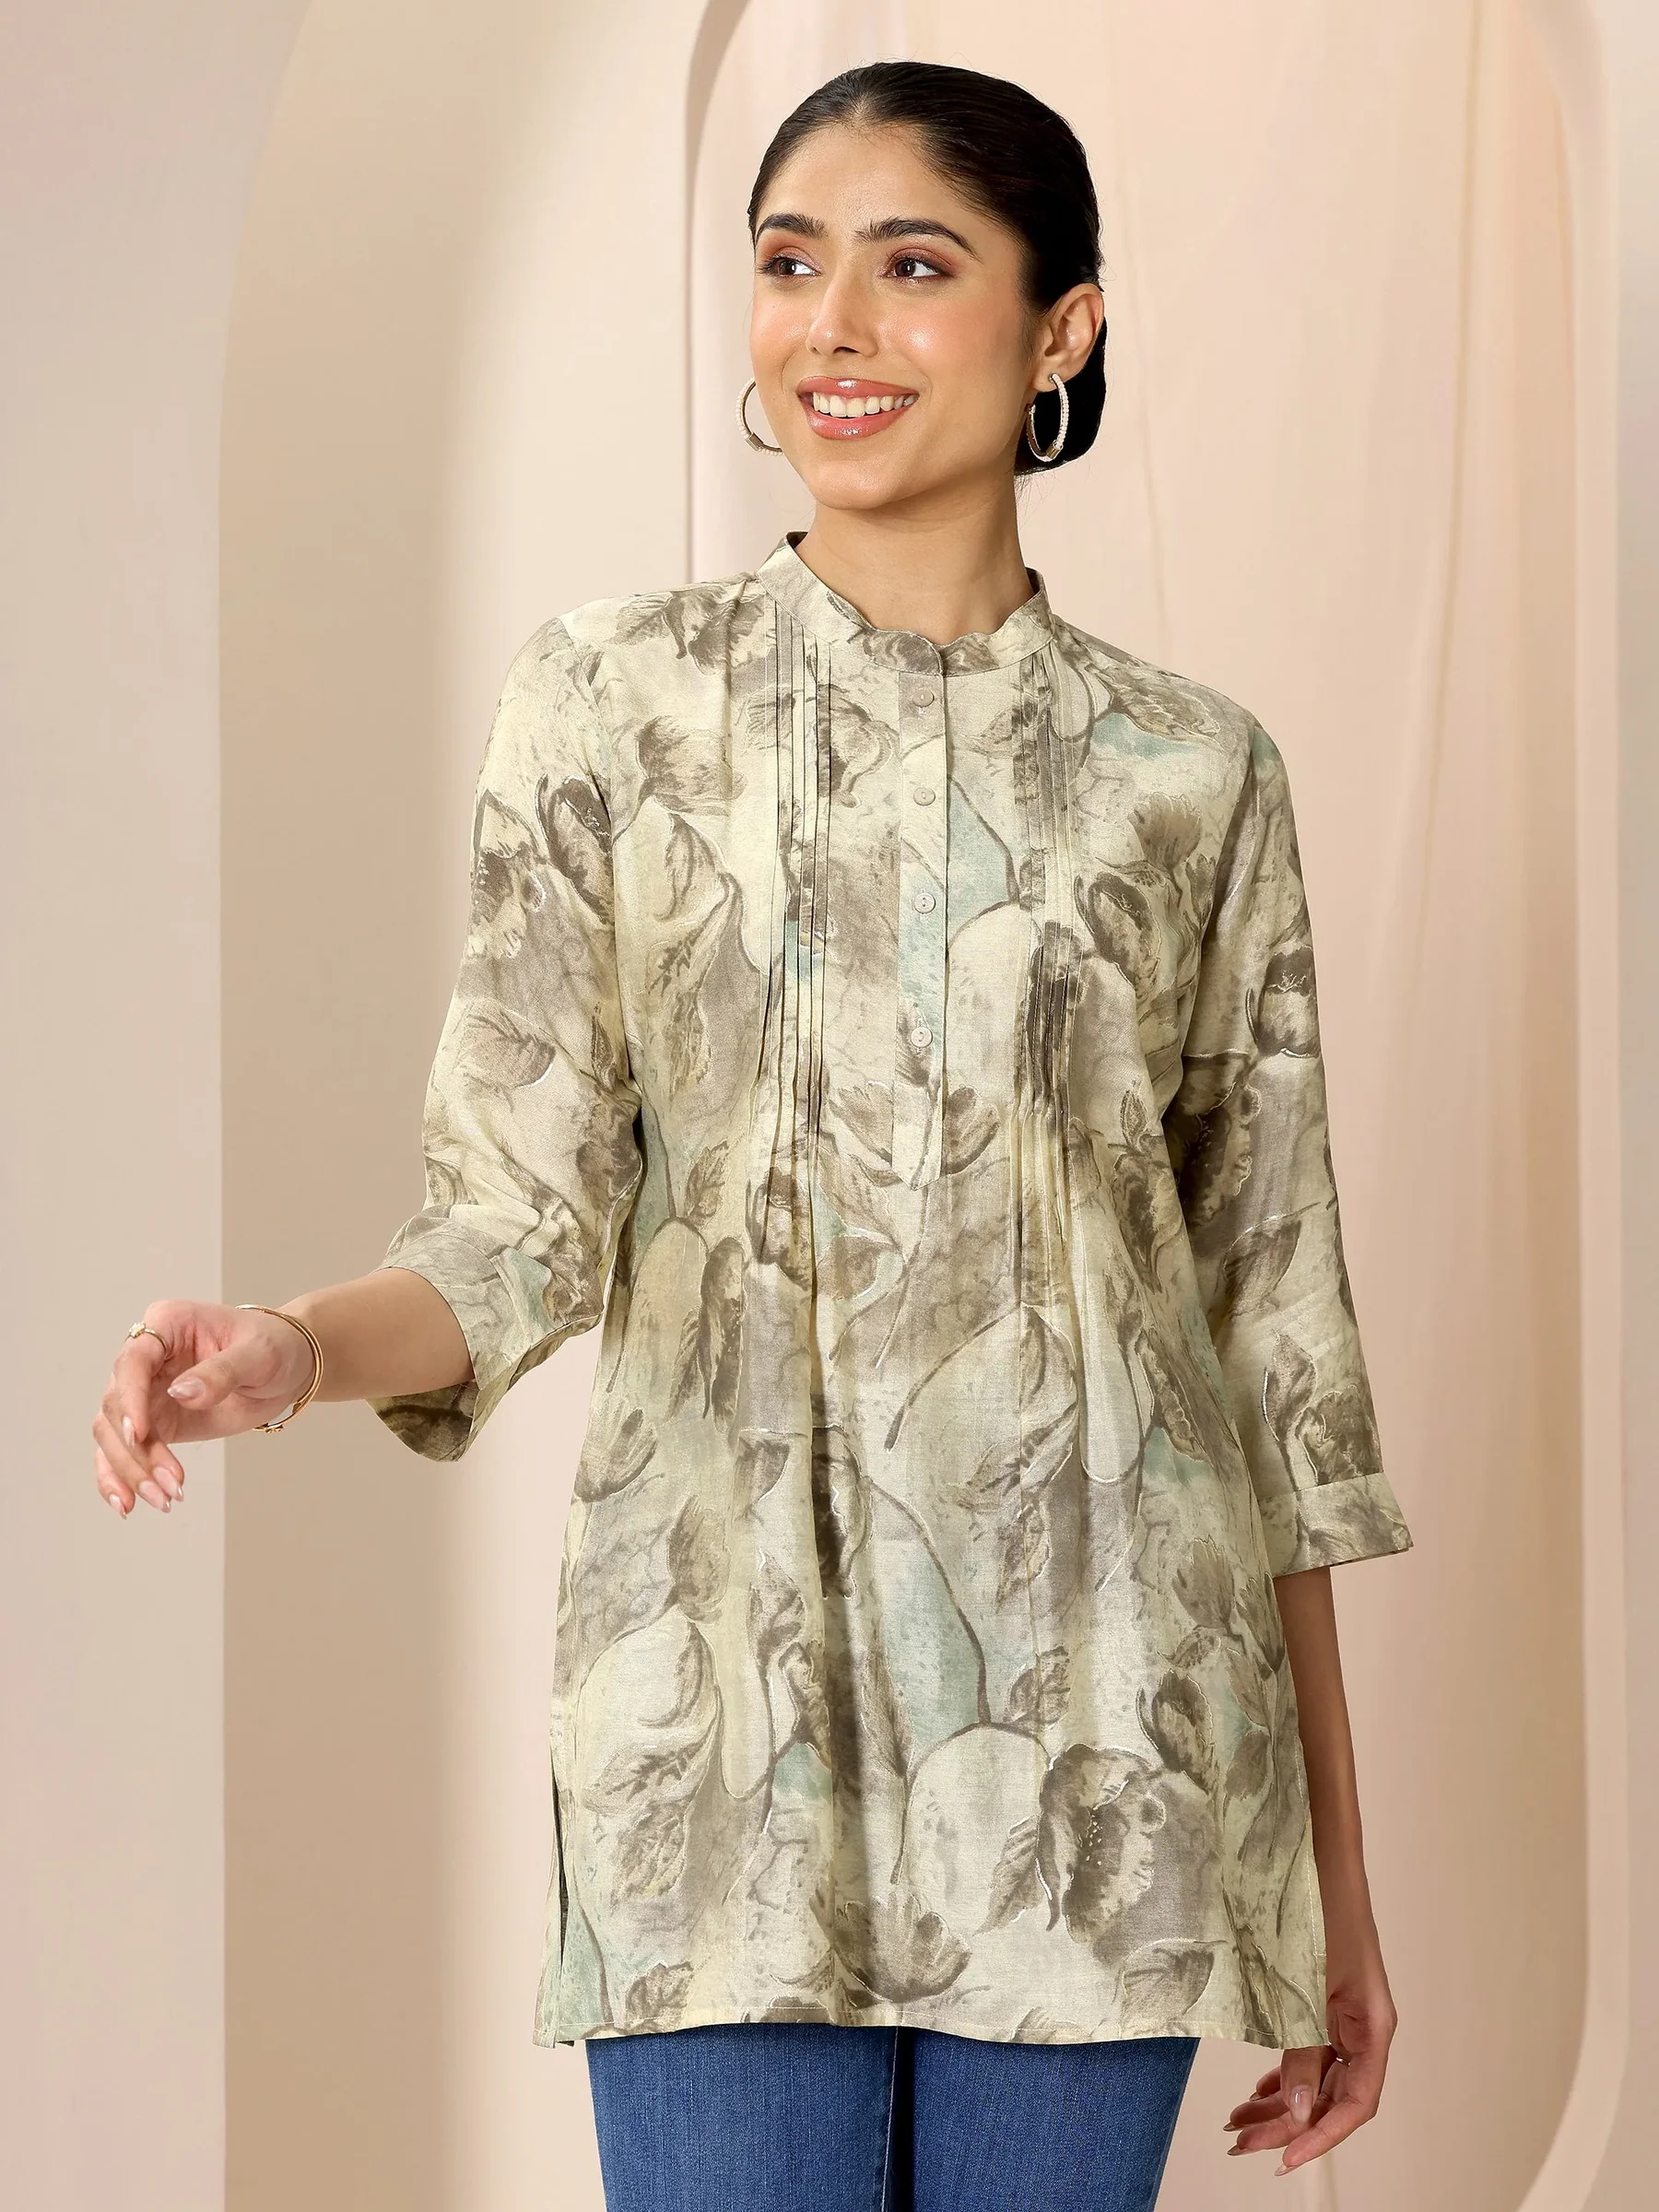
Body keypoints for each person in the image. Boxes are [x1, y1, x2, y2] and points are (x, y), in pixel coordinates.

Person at [93, 60, 1413, 2212]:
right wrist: (295, 1346)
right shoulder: (614, 705)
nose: (834, 325)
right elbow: (518, 1220)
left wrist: (1332, 1883)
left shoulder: (1195, 774)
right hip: (713, 1739)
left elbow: (1271, 1360)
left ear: (1062, 328)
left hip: (1110, 1754)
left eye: (916, 266)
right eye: (792, 263)